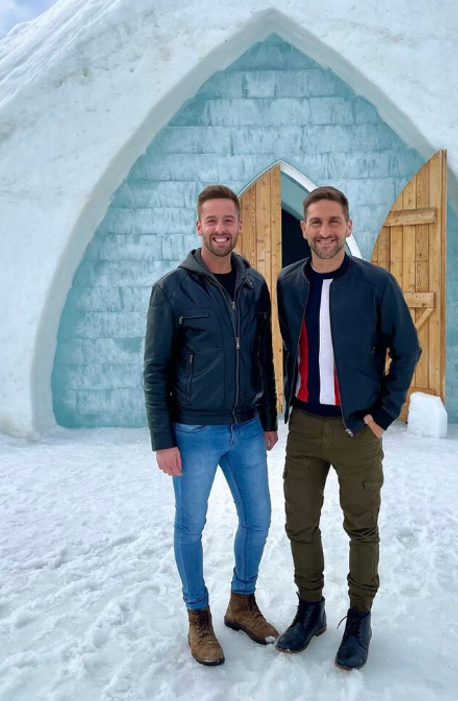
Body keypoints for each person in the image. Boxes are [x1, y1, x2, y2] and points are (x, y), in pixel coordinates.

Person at [273, 185, 420, 670]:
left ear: (348, 226)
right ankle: (311, 608)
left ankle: (359, 618)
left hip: (357, 429)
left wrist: (381, 415)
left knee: (361, 526)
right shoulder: (289, 282)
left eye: (334, 222)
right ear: (305, 228)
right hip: (306, 424)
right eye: (316, 222)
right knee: (299, 522)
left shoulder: (377, 284)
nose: (325, 231)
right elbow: (292, 349)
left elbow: (408, 350)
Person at [142, 184, 281, 666]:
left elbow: (263, 356)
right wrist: (163, 439)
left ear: (240, 225)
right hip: (193, 433)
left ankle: (241, 603)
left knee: (259, 520)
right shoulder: (171, 288)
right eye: (212, 221)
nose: (221, 229)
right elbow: (155, 368)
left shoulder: (254, 285)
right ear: (198, 226)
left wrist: (267, 417)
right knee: (190, 526)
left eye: (228, 220)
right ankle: (197, 617)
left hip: (245, 429)